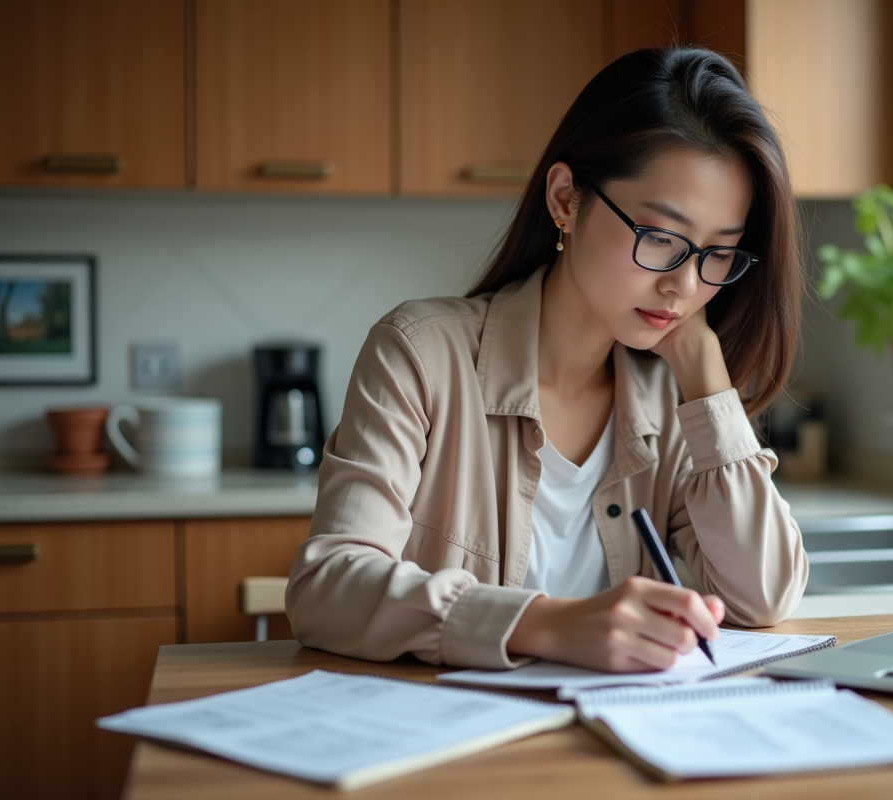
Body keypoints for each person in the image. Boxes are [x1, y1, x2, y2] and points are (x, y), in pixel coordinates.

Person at [286, 46, 808, 673]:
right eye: (662, 239)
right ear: (566, 199)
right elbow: (326, 588)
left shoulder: (675, 402)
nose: (686, 286)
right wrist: (549, 624)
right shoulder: (420, 355)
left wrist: (707, 381)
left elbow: (764, 598)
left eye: (717, 254)